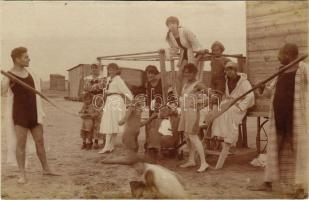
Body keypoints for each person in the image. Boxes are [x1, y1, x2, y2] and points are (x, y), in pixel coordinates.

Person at [248, 43, 308, 197]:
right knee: (274, 149)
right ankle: (268, 182)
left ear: (289, 55)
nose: (278, 57)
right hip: (279, 116)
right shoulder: (280, 71)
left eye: (280, 54)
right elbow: (269, 92)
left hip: (296, 117)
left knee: (300, 153)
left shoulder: (304, 69)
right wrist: (262, 88)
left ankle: (301, 188)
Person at [1, 47, 57, 184]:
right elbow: (2, 92)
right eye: (26, 57)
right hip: (20, 114)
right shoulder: (8, 75)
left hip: (34, 112)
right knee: (21, 144)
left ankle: (46, 169)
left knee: (40, 141)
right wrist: (4, 81)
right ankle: (22, 174)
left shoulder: (31, 72)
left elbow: (38, 89)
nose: (29, 59)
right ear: (17, 59)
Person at [209, 61, 255, 169]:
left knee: (229, 115)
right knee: (217, 113)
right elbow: (226, 95)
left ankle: (228, 139)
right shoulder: (226, 81)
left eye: (231, 70)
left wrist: (241, 106)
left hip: (239, 106)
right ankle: (220, 135)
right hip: (229, 104)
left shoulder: (243, 82)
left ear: (235, 70)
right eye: (227, 70)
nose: (228, 72)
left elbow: (250, 96)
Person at [178, 63, 209, 172]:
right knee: (187, 136)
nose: (187, 74)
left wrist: (200, 104)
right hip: (185, 112)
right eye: (185, 72)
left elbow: (212, 96)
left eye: (190, 72)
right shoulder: (185, 84)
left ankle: (204, 163)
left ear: (195, 73)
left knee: (193, 136)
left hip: (193, 113)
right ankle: (191, 160)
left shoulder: (198, 84)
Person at [165, 16, 207, 95]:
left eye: (174, 23)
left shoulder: (185, 31)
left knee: (190, 74)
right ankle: (178, 95)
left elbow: (194, 41)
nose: (172, 25)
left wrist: (200, 50)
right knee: (179, 75)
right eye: (170, 24)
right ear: (168, 26)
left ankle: (189, 93)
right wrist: (167, 53)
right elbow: (174, 48)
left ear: (177, 24)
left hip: (192, 52)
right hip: (184, 53)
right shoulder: (170, 35)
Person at [99, 63, 133, 154]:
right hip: (109, 101)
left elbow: (126, 91)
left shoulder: (118, 79)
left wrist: (132, 100)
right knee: (109, 123)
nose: (111, 71)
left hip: (116, 100)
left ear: (117, 70)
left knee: (112, 123)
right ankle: (109, 146)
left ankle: (108, 146)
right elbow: (105, 90)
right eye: (109, 69)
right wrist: (105, 91)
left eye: (113, 69)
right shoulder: (108, 79)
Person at [79, 63, 106, 149]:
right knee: (89, 121)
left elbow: (103, 87)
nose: (94, 69)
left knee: (98, 121)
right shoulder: (87, 78)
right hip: (89, 101)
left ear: (99, 68)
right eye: (93, 68)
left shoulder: (103, 78)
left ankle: (96, 141)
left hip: (99, 100)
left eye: (96, 67)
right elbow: (85, 89)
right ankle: (88, 141)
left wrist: (93, 87)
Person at [144, 65, 163, 162]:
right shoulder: (148, 84)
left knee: (157, 126)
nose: (150, 75)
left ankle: (157, 149)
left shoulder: (161, 82)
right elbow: (148, 95)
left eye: (152, 73)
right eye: (148, 73)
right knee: (149, 125)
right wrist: (148, 104)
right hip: (152, 106)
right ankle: (149, 146)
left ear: (156, 74)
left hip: (161, 106)